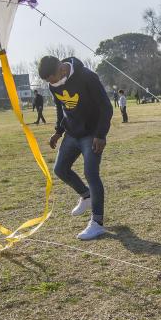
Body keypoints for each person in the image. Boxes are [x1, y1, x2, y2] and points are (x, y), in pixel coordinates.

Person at [39, 56, 113, 240]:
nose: (52, 84)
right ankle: (86, 196)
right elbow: (61, 108)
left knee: (91, 174)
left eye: (53, 80)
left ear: (62, 70)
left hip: (92, 133)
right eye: (49, 82)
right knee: (60, 169)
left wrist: (101, 134)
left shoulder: (88, 77)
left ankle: (97, 223)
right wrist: (58, 131)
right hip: (72, 133)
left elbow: (106, 107)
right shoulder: (53, 84)